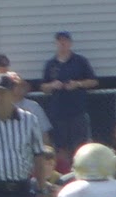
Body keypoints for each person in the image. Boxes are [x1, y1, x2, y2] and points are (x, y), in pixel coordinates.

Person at [40, 31, 98, 167]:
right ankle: (65, 172)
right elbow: (43, 86)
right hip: (58, 112)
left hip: (77, 111)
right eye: (59, 41)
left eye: (65, 41)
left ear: (70, 43)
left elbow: (94, 81)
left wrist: (77, 84)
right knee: (61, 147)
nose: (62, 43)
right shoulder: (50, 64)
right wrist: (52, 85)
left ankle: (81, 169)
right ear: (56, 43)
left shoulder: (80, 61)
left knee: (80, 145)